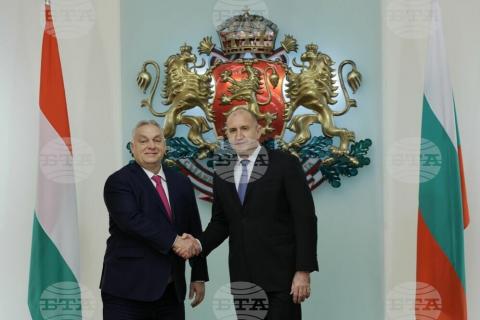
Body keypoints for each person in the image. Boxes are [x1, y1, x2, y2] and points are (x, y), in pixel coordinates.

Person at [197, 107, 318, 320]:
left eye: (245, 128)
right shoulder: (222, 172)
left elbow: (305, 218)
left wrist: (303, 270)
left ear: (259, 130)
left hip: (282, 278)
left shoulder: (285, 164)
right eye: (232, 130)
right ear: (226, 135)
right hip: (243, 279)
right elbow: (221, 222)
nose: (239, 135)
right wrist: (197, 246)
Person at [100, 120, 208, 320]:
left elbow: (194, 227)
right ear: (133, 148)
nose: (151, 145)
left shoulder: (181, 181)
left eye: (157, 140)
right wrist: (176, 241)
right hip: (126, 292)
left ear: (164, 146)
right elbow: (131, 220)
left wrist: (198, 274)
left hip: (170, 292)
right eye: (143, 141)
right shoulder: (119, 181)